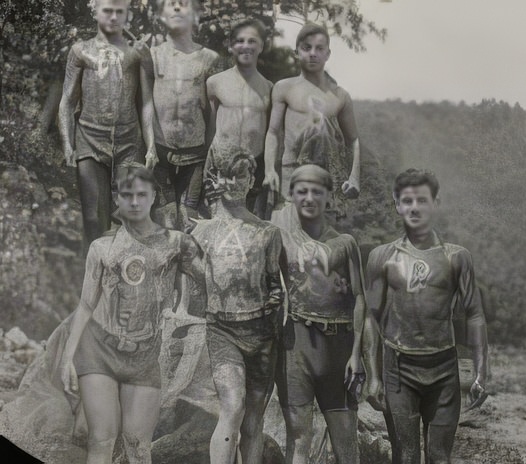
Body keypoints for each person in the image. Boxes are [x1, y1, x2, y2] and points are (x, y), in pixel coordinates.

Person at [59, 163, 208, 464]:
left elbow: (210, 284)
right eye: (127, 195)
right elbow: (86, 304)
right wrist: (67, 358)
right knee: (101, 441)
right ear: (116, 199)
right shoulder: (101, 248)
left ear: (154, 196)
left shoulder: (176, 244)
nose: (135, 201)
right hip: (100, 351)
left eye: (142, 194)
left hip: (145, 356)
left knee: (138, 445)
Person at [364, 168, 489, 464]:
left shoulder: (456, 257)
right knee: (405, 457)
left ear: (436, 203)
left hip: (444, 368)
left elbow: (475, 315)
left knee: (439, 457)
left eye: (422, 200)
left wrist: (482, 372)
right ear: (397, 205)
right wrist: (372, 376)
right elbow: (370, 317)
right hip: (399, 367)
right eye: (407, 201)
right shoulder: (382, 257)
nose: (414, 207)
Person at [275, 164, 373, 464]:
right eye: (301, 191)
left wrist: (357, 355)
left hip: (337, 347)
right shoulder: (281, 240)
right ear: (291, 195)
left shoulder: (344, 244)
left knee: (345, 437)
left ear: (329, 197)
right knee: (299, 437)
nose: (309, 198)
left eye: (317, 192)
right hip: (296, 345)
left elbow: (359, 299)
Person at [191, 154, 284, 464]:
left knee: (254, 419)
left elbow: (274, 283)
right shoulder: (201, 231)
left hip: (261, 333)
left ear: (251, 182)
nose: (233, 183)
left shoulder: (268, 232)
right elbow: (189, 276)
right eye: (227, 176)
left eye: (240, 176)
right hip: (222, 330)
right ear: (218, 180)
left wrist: (276, 303)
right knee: (232, 405)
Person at [58, 0, 155, 247]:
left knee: (133, 213)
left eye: (119, 12)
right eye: (107, 11)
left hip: (128, 140)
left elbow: (146, 102)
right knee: (93, 217)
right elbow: (67, 101)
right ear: (95, 12)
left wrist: (151, 144)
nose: (113, 17)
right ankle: (95, 277)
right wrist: (68, 143)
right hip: (90, 139)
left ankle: (131, 276)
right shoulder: (81, 50)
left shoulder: (137, 52)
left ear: (127, 15)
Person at [263, 23, 361, 220]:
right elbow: (273, 132)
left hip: (325, 179)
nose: (313, 53)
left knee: (321, 238)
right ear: (296, 52)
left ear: (328, 54)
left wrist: (354, 177)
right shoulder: (284, 88)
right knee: (285, 231)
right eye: (306, 48)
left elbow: (354, 140)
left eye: (319, 48)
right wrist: (269, 170)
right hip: (290, 174)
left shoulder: (340, 95)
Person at [150, 0, 219, 231]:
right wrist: (149, 145)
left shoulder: (209, 58)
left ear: (197, 15)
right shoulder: (152, 55)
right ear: (160, 15)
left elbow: (213, 112)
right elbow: (144, 103)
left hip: (196, 154)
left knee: (190, 219)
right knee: (163, 219)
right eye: (171, 4)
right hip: (160, 150)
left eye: (184, 4)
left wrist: (209, 151)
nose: (178, 8)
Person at [205, 19, 273, 218]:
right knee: (218, 221)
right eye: (239, 41)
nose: (246, 46)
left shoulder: (269, 88)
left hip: (254, 167)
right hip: (221, 166)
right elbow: (210, 129)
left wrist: (268, 170)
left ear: (261, 46)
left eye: (252, 41)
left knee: (251, 224)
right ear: (230, 46)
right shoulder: (215, 83)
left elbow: (271, 133)